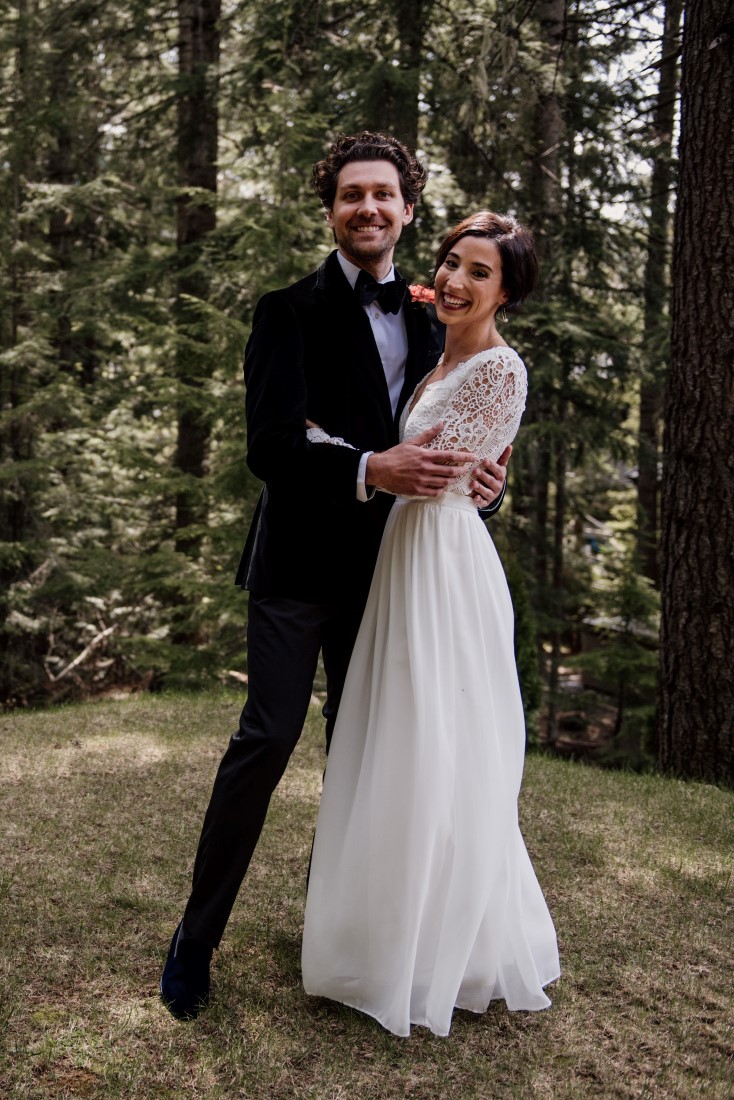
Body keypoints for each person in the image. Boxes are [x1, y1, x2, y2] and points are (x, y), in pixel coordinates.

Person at [160, 132, 511, 1020]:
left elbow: (454, 434)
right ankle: (195, 939)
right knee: (267, 740)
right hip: (295, 567)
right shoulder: (287, 310)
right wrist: (368, 468)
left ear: (408, 207)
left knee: (374, 755)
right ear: (332, 208)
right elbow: (271, 447)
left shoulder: (442, 314)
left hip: (397, 577)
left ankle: (344, 930)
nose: (368, 208)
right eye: (352, 194)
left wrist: (483, 489)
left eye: (383, 195)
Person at [301, 211, 560, 1037]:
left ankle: (440, 949)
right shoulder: (436, 351)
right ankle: (382, 930)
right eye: (451, 263)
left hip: (443, 563)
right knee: (397, 738)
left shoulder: (498, 369)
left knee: (438, 742)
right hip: (405, 554)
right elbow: (416, 458)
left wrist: (341, 451)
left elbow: (449, 475)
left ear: (506, 291)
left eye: (479, 273)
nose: (454, 280)